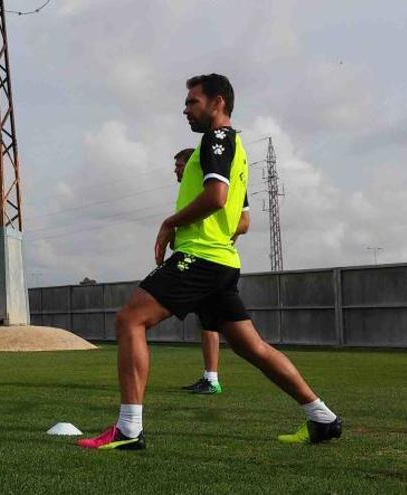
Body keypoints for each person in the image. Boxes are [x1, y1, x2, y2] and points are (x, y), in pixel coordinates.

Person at [78, 74, 342, 450]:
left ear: (218, 103)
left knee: (129, 319)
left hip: (200, 257)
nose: (186, 110)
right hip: (220, 261)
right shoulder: (236, 149)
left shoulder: (216, 140)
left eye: (192, 102)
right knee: (253, 348)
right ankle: (323, 418)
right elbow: (242, 218)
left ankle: (128, 430)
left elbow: (217, 198)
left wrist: (172, 223)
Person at [172, 148, 250, 395]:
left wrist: (216, 235)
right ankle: (211, 378)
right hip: (213, 260)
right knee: (212, 324)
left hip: (207, 259)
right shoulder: (194, 189)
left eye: (179, 165)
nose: (176, 170)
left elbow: (244, 222)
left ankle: (211, 379)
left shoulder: (217, 181)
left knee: (132, 318)